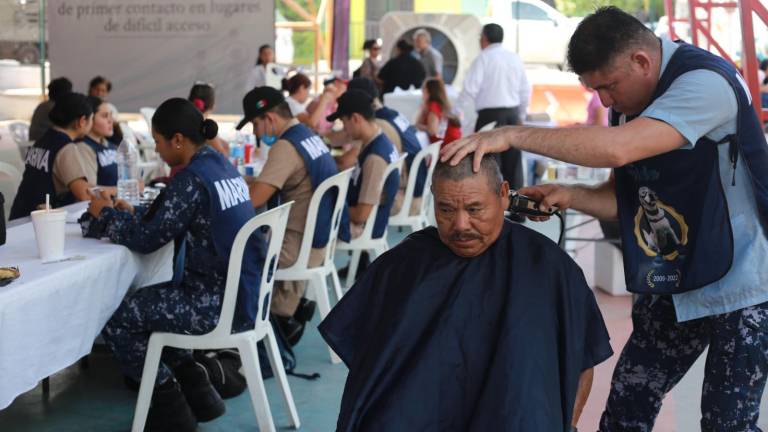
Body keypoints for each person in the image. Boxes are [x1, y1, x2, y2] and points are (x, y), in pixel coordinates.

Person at [442, 7, 768, 431]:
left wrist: (511, 134)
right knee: (627, 404)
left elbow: (619, 149)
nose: (606, 102)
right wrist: (571, 196)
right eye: (596, 90)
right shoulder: (629, 104)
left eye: (609, 87)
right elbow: (627, 201)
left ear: (641, 61)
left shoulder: (705, 84)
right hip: (676, 275)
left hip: (742, 281)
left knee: (727, 423)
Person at [319, 154, 613, 432]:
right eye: (445, 209)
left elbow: (582, 361)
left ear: (503, 194)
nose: (460, 225)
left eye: (474, 209)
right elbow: (366, 363)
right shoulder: (404, 264)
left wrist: (568, 426)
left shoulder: (549, 267)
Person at [80, 98, 266, 431]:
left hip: (214, 303)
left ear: (178, 139)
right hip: (242, 292)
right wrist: (133, 214)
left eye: (159, 142)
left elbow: (148, 240)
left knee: (120, 317)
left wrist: (103, 215)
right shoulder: (219, 164)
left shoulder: (191, 179)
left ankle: (171, 406)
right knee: (155, 304)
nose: (158, 150)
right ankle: (199, 391)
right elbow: (167, 220)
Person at [237, 86, 342, 343]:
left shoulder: (285, 146)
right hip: (320, 238)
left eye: (254, 124)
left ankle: (240, 330)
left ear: (270, 118)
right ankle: (285, 313)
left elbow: (255, 200)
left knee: (230, 254)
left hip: (296, 247)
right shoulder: (308, 135)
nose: (255, 132)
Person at [457, 23, 531, 192]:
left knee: (488, 165)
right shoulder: (514, 58)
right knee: (513, 164)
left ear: (484, 39)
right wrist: (521, 115)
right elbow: (525, 90)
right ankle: (516, 210)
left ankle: (493, 212)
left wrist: (456, 112)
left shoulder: (483, 58)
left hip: (489, 117)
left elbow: (470, 89)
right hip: (512, 115)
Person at [346, 77, 426, 217]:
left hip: (405, 198)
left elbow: (348, 162)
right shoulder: (394, 114)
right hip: (421, 190)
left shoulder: (377, 125)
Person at [327, 90, 400, 241]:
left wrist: (334, 206)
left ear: (355, 118)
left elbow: (361, 215)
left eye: (343, 122)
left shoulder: (374, 158)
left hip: (365, 227)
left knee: (310, 217)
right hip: (374, 218)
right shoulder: (378, 139)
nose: (344, 128)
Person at [10, 92, 93, 220]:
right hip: (40, 224)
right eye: (91, 119)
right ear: (82, 121)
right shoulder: (66, 148)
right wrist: (115, 191)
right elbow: (84, 195)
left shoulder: (42, 140)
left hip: (19, 216)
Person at [76, 96, 118, 192]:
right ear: (90, 119)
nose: (110, 120)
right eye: (104, 116)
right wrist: (127, 189)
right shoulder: (83, 148)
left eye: (111, 115)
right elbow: (91, 190)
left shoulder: (111, 145)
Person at [416, 78, 462, 146]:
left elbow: (432, 130)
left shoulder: (433, 105)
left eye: (424, 88)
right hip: (454, 144)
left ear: (429, 91)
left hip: (447, 147)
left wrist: (417, 126)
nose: (422, 91)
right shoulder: (443, 105)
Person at [188, 82, 230, 156]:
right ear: (212, 106)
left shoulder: (187, 122)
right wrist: (227, 148)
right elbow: (223, 157)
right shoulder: (205, 128)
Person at [29, 77, 72, 142]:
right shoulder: (54, 108)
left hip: (38, 145)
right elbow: (69, 128)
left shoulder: (44, 105)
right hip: (44, 145)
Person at [88, 75, 122, 143]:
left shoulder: (110, 107)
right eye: (97, 89)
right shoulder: (84, 105)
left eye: (103, 91)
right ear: (91, 89)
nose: (99, 93)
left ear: (107, 93)